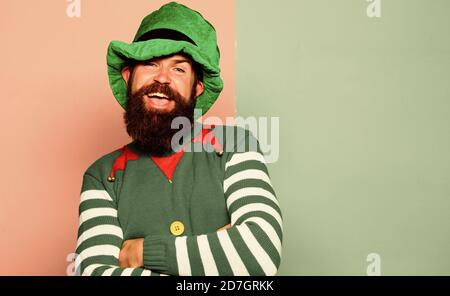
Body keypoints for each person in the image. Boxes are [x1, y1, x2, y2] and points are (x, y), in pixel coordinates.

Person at [75, 1, 282, 276]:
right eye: (150, 64)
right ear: (128, 76)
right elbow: (93, 272)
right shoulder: (102, 175)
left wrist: (138, 253)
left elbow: (260, 252)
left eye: (179, 69)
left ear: (197, 87)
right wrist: (217, 258)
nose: (162, 78)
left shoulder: (235, 146)